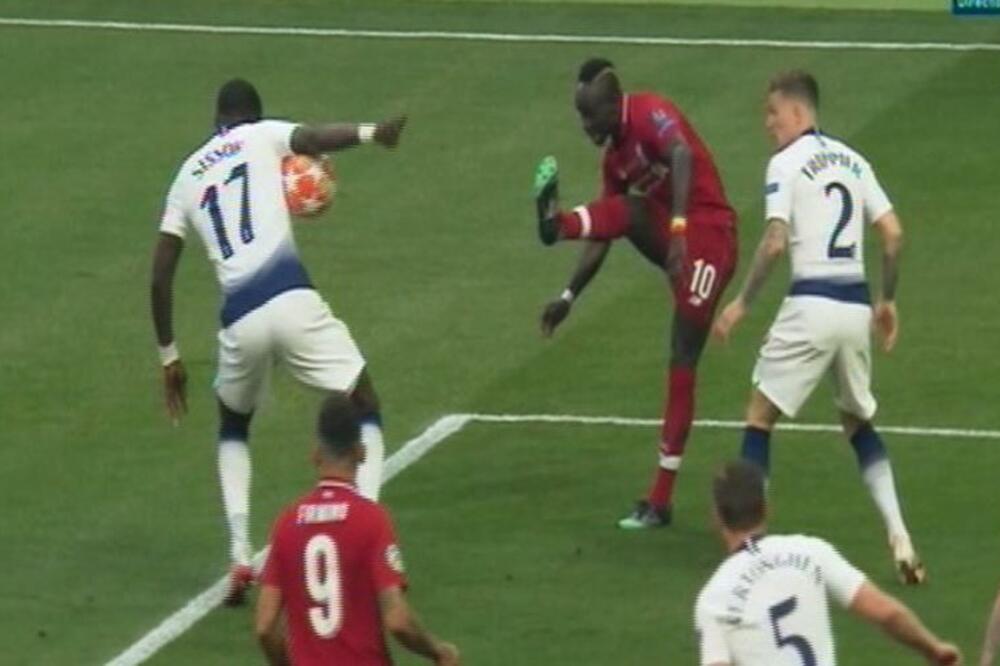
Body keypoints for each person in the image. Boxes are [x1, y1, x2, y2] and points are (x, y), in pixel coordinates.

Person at [150, 78, 406, 603]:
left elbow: (159, 276)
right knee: (364, 402)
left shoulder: (186, 176)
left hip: (239, 319)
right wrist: (372, 133)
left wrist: (169, 355)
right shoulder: (262, 136)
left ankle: (240, 556)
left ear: (216, 121)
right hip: (291, 299)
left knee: (233, 426)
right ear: (252, 116)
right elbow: (313, 138)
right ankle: (364, 532)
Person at [712, 70, 923, 583]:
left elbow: (774, 242)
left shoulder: (785, 163)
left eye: (773, 113)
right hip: (855, 309)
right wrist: (888, 300)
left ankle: (750, 549)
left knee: (759, 416)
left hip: (811, 303)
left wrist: (742, 303)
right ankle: (899, 535)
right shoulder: (854, 160)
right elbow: (893, 234)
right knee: (857, 424)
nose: (768, 124)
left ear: (798, 112)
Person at [533, 57, 739, 529]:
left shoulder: (650, 113)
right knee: (625, 208)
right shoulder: (615, 159)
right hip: (678, 242)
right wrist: (568, 296)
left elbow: (682, 155)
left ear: (613, 103)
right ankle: (558, 225)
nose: (586, 126)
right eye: (580, 116)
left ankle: (660, 499)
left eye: (590, 115)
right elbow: (607, 228)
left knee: (682, 354)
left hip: (711, 236)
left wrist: (681, 228)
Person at [256, 392, 460, 666]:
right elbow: (398, 620)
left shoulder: (287, 523)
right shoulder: (371, 520)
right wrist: (438, 651)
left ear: (315, 454)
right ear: (360, 452)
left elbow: (265, 627)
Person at [695, 460, 961, 666]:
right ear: (766, 508)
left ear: (716, 517)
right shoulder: (811, 552)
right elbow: (886, 613)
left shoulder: (714, 598)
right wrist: (933, 649)